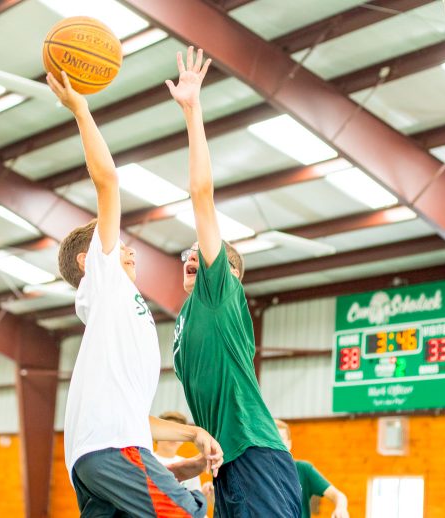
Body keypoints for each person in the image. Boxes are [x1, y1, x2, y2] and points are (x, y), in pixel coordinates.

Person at [47, 69, 222, 518]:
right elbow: (108, 182)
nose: (125, 248)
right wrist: (81, 110)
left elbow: (137, 422)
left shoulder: (116, 315)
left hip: (98, 455)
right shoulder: (103, 280)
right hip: (110, 448)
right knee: (194, 513)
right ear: (88, 260)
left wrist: (195, 438)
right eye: (111, 243)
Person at [166, 47, 302, 518]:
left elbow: (201, 194)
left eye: (200, 255)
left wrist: (192, 109)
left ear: (226, 273)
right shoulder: (184, 321)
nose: (192, 256)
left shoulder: (218, 292)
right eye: (187, 253)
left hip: (254, 455)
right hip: (228, 464)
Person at [274, 419, 351, 518]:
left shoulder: (303, 469)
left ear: (289, 444)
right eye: (273, 439)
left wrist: (340, 508)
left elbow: (338, 495)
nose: (277, 444)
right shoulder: (259, 472)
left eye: (281, 439)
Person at [153, 411, 203, 492]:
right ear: (157, 434)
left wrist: (205, 495)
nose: (173, 437)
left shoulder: (189, 465)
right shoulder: (144, 460)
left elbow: (195, 498)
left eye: (178, 434)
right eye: (169, 432)